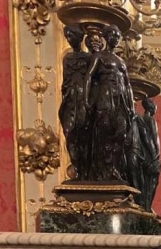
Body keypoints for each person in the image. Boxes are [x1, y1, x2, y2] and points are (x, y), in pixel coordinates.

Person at [84, 25, 135, 183]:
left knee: (121, 132)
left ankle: (114, 167)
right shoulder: (99, 56)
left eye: (117, 35)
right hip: (105, 98)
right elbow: (89, 78)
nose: (115, 38)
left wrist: (131, 107)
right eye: (112, 35)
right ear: (106, 37)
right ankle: (104, 171)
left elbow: (127, 85)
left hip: (120, 100)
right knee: (104, 135)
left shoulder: (121, 61)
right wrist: (87, 99)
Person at [58, 25, 90, 181]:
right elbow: (65, 82)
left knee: (84, 132)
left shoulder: (88, 58)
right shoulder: (67, 58)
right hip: (71, 99)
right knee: (70, 132)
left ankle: (85, 169)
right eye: (69, 37)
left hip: (84, 99)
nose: (71, 40)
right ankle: (77, 167)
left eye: (74, 37)